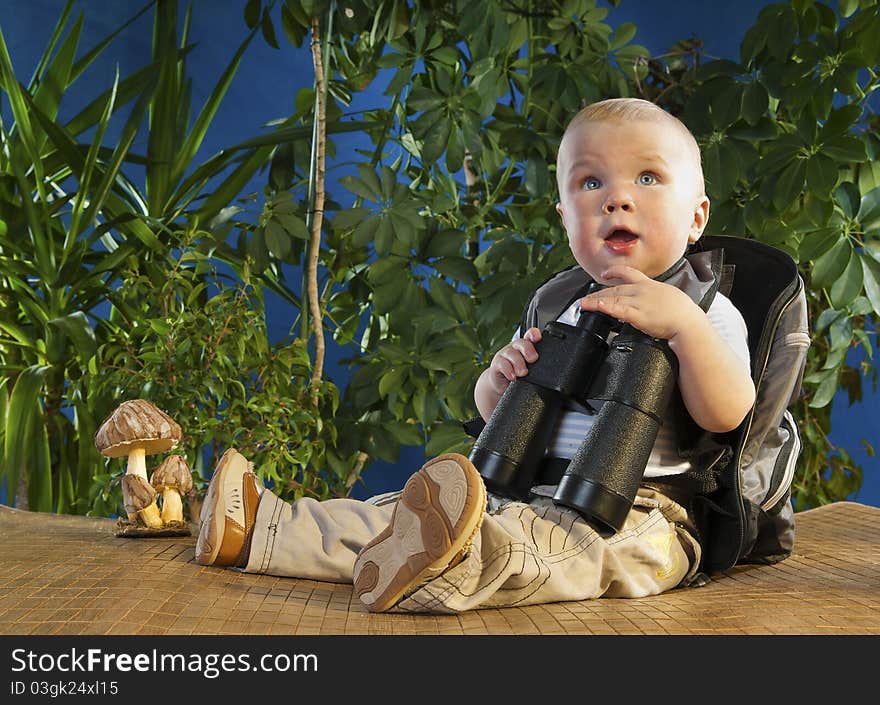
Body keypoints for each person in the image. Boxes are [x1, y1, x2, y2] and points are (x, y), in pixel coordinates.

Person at [194, 97, 756, 613]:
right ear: (565, 219)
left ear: (697, 217)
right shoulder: (561, 306)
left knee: (568, 555)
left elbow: (726, 413)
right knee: (398, 512)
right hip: (521, 491)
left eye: (649, 177)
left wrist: (684, 329)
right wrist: (499, 379)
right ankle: (264, 528)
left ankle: (446, 565)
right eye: (589, 183)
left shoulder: (704, 311)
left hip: (640, 511)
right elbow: (499, 416)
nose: (617, 197)